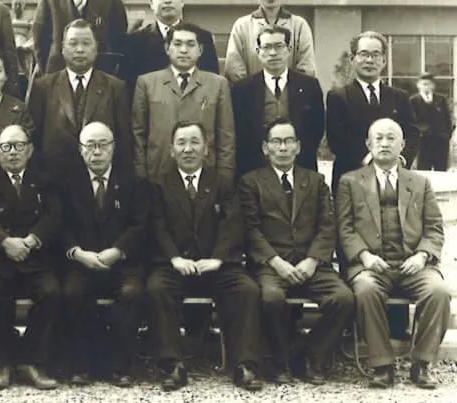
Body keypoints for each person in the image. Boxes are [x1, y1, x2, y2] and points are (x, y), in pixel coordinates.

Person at [146, 120, 263, 392]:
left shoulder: (222, 183)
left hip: (216, 265)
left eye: (194, 142)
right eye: (181, 143)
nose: (188, 149)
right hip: (175, 265)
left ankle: (244, 365)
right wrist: (175, 258)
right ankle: (172, 365)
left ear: (206, 149)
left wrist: (218, 259)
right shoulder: (159, 185)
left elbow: (232, 224)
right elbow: (157, 226)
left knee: (247, 289)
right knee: (156, 287)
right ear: (171, 150)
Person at [336, 118, 451, 389]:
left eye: (391, 138)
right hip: (372, 265)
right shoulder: (350, 182)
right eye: (378, 138)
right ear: (368, 144)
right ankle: (382, 365)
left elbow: (434, 228)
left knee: (439, 292)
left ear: (402, 144)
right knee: (365, 289)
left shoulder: (420, 183)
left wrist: (422, 256)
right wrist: (364, 256)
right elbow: (344, 227)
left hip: (413, 264)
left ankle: (422, 364)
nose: (384, 143)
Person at [239, 118, 353, 385]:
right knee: (270, 298)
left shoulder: (315, 181)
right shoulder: (250, 182)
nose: (283, 148)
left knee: (344, 298)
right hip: (271, 265)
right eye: (276, 142)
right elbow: (250, 230)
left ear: (299, 147)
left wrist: (312, 261)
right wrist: (276, 263)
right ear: (265, 148)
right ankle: (280, 362)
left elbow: (328, 225)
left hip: (311, 264)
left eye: (289, 141)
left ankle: (311, 355)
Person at [0, 124, 62, 391]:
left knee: (52, 292)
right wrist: (5, 241)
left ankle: (31, 361)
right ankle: (1, 363)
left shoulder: (45, 179)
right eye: (6, 147)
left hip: (34, 257)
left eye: (19, 146)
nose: (12, 152)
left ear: (30, 150)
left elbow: (54, 216)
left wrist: (32, 240)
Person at [60, 122, 147, 387]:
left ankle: (121, 366)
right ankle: (82, 365)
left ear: (113, 147)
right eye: (90, 146)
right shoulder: (66, 184)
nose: (96, 152)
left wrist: (118, 250)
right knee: (72, 293)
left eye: (103, 145)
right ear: (80, 149)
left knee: (132, 293)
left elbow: (140, 224)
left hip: (122, 263)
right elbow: (58, 224)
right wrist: (77, 253)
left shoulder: (133, 182)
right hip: (81, 261)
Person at [27, 19, 132, 173]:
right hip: (54, 179)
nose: (80, 49)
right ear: (62, 48)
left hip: (100, 177)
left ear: (96, 48)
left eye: (86, 43)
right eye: (73, 43)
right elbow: (34, 139)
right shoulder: (42, 87)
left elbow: (124, 141)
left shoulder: (116, 88)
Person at [132, 23, 235, 180]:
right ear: (167, 48)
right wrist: (140, 172)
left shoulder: (217, 84)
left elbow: (226, 135)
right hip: (158, 173)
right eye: (177, 44)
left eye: (190, 44)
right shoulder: (147, 83)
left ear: (200, 50)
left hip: (205, 174)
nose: (184, 50)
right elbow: (138, 133)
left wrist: (224, 175)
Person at [327, 31, 419, 193]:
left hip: (393, 178)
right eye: (363, 54)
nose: (369, 60)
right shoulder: (338, 97)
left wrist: (400, 160)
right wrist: (371, 160)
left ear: (383, 60)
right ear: (352, 59)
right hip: (352, 177)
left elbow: (412, 133)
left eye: (375, 55)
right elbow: (336, 138)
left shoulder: (400, 97)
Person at [231, 26, 324, 179]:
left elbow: (316, 128)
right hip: (254, 168)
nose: (273, 53)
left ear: (289, 49)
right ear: (258, 51)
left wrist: (293, 153)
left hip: (299, 166)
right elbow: (240, 132)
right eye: (266, 47)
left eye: (279, 46)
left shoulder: (309, 86)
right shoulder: (242, 89)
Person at [224, 0, 316, 84]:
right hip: (251, 97)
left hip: (293, 98)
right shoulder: (242, 26)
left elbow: (306, 67)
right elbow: (234, 68)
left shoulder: (299, 25)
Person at [123, 0, 218, 91]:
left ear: (182, 1)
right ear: (151, 4)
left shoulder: (203, 37)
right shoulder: (135, 41)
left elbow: (212, 84)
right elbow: (130, 87)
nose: (167, 0)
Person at [410, 73, 453, 171]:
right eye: (423, 84)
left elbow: (447, 119)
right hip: (423, 142)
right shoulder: (413, 101)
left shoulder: (441, 99)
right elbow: (411, 121)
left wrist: (447, 135)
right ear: (418, 85)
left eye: (429, 84)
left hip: (440, 141)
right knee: (423, 168)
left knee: (441, 169)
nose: (426, 87)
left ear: (433, 86)